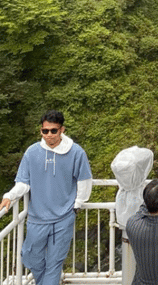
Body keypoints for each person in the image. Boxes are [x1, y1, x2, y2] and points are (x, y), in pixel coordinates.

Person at [0, 110, 92, 285]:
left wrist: (77, 204)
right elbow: (23, 182)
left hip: (64, 216)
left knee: (54, 263)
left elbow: (84, 180)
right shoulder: (32, 152)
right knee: (29, 255)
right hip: (37, 216)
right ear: (41, 131)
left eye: (53, 131)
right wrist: (10, 196)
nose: (49, 135)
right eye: (45, 131)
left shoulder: (76, 152)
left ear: (62, 129)